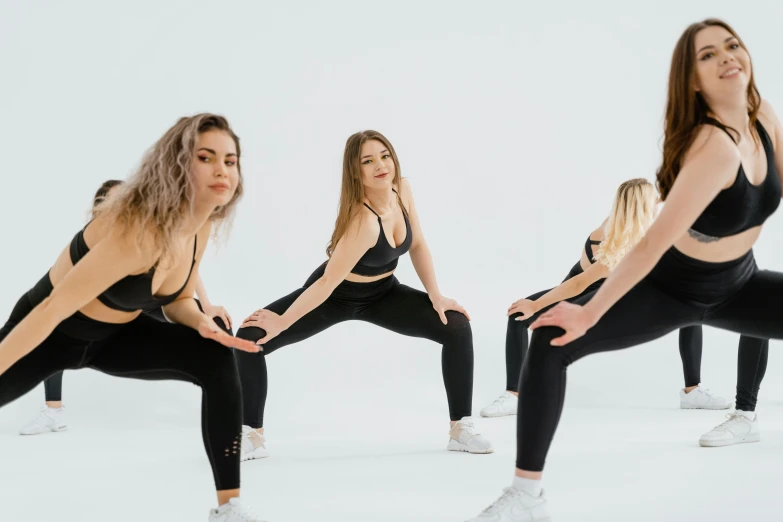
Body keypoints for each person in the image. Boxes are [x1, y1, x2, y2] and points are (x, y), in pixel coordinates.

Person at [468, 19, 782, 520]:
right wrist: (587, 314)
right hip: (675, 287)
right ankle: (526, 496)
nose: (726, 57)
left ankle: (746, 415)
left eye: (731, 45)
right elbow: (652, 243)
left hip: (739, 283)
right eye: (707, 55)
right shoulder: (712, 147)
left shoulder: (764, 118)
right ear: (693, 81)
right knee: (551, 341)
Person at [0, 114, 264, 521]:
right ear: (178, 163)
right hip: (51, 333)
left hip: (114, 337)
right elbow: (51, 309)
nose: (222, 170)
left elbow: (177, 299)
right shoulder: (138, 229)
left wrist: (201, 322)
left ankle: (229, 507)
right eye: (206, 157)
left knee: (214, 356)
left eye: (230, 161)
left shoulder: (200, 225)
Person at [234, 130, 491, 461]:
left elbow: (419, 245)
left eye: (384, 156)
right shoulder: (364, 222)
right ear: (356, 172)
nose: (380, 165)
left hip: (383, 293)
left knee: (456, 326)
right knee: (249, 339)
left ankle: (460, 430)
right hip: (336, 295)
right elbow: (326, 283)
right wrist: (282, 321)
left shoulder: (403, 190)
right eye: (367, 161)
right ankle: (252, 436)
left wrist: (436, 296)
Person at [480, 179, 768, 418]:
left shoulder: (648, 230)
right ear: (641, 207)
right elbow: (579, 283)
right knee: (518, 314)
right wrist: (536, 305)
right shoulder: (611, 238)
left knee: (690, 314)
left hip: (617, 293)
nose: (659, 204)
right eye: (654, 200)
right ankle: (513, 394)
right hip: (581, 292)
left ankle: (692, 392)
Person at [19, 179, 236, 436]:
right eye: (115, 201)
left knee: (218, 325)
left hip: (155, 303)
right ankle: (54, 412)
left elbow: (188, 269)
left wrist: (207, 306)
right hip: (115, 309)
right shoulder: (94, 240)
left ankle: (227, 403)